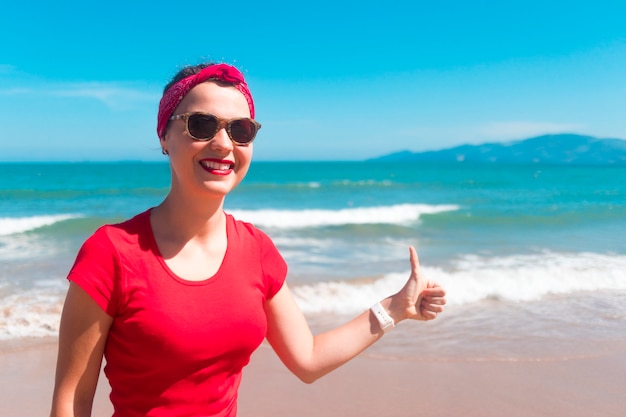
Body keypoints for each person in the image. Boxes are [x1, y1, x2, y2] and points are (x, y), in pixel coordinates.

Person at [50, 62, 447, 417]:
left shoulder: (256, 250)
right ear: (165, 136)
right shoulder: (112, 252)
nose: (224, 144)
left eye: (241, 130)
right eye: (201, 125)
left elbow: (307, 359)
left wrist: (395, 307)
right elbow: (71, 402)